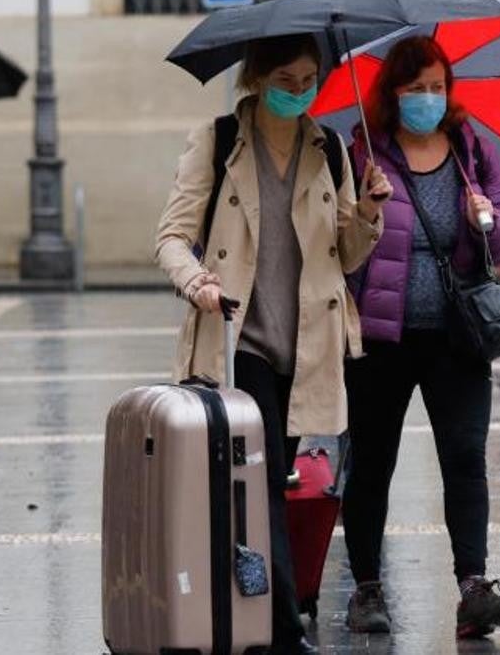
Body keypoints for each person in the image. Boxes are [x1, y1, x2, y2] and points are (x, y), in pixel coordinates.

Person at [154, 34, 392, 655]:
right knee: (257, 486)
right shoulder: (218, 142)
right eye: (286, 79)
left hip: (308, 345)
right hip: (239, 341)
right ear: (256, 78)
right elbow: (172, 237)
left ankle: (246, 614)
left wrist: (368, 211)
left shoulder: (330, 147)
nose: (299, 91)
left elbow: (346, 254)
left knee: (263, 487)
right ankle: (285, 629)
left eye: (309, 79)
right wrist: (196, 281)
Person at [341, 35, 500, 640]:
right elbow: (339, 251)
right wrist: (366, 209)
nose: (427, 98)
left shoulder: (472, 150)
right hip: (381, 336)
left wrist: (486, 221)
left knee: (466, 459)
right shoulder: (363, 152)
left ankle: (473, 586)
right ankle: (367, 588)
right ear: (392, 94)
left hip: (458, 337)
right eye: (415, 88)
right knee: (372, 463)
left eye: (436, 87)